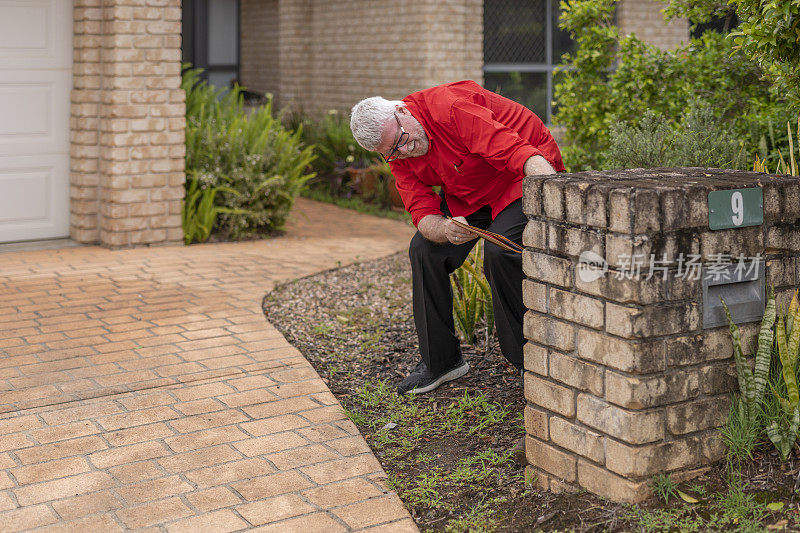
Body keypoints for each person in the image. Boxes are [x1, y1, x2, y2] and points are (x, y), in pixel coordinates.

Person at [350, 80, 564, 395]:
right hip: (471, 188)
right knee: (424, 251)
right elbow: (422, 213)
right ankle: (442, 361)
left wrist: (554, 193)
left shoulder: (449, 108)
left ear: (401, 109)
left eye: (402, 141)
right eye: (393, 153)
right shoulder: (398, 153)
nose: (404, 152)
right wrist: (446, 230)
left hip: (520, 174)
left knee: (499, 252)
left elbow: (514, 150)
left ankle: (529, 362)